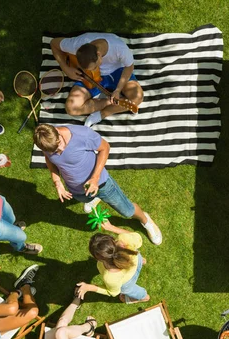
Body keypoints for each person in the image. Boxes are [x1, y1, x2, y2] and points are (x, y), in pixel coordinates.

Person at [33, 123, 162, 245]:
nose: (60, 150)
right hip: (76, 190)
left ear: (57, 131)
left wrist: (94, 179)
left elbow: (105, 147)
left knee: (127, 211)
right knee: (86, 199)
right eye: (55, 151)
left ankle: (146, 221)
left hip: (101, 184)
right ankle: (93, 198)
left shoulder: (81, 135)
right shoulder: (47, 144)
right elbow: (50, 161)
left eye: (60, 144)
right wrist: (57, 183)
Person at [50, 32, 143, 127]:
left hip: (118, 71)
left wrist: (118, 90)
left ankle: (103, 113)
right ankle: (114, 103)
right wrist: (66, 68)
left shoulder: (119, 47)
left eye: (95, 67)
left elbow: (129, 67)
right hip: (90, 77)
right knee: (71, 108)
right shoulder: (76, 44)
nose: (96, 68)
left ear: (99, 55)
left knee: (137, 97)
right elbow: (54, 43)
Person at [76, 220, 150, 304]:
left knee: (137, 293)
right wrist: (112, 228)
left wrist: (89, 287)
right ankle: (142, 262)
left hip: (127, 283)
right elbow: (137, 238)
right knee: (140, 259)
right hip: (137, 261)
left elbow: (113, 292)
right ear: (112, 239)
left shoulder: (110, 278)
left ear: (98, 258)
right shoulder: (124, 240)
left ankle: (144, 298)